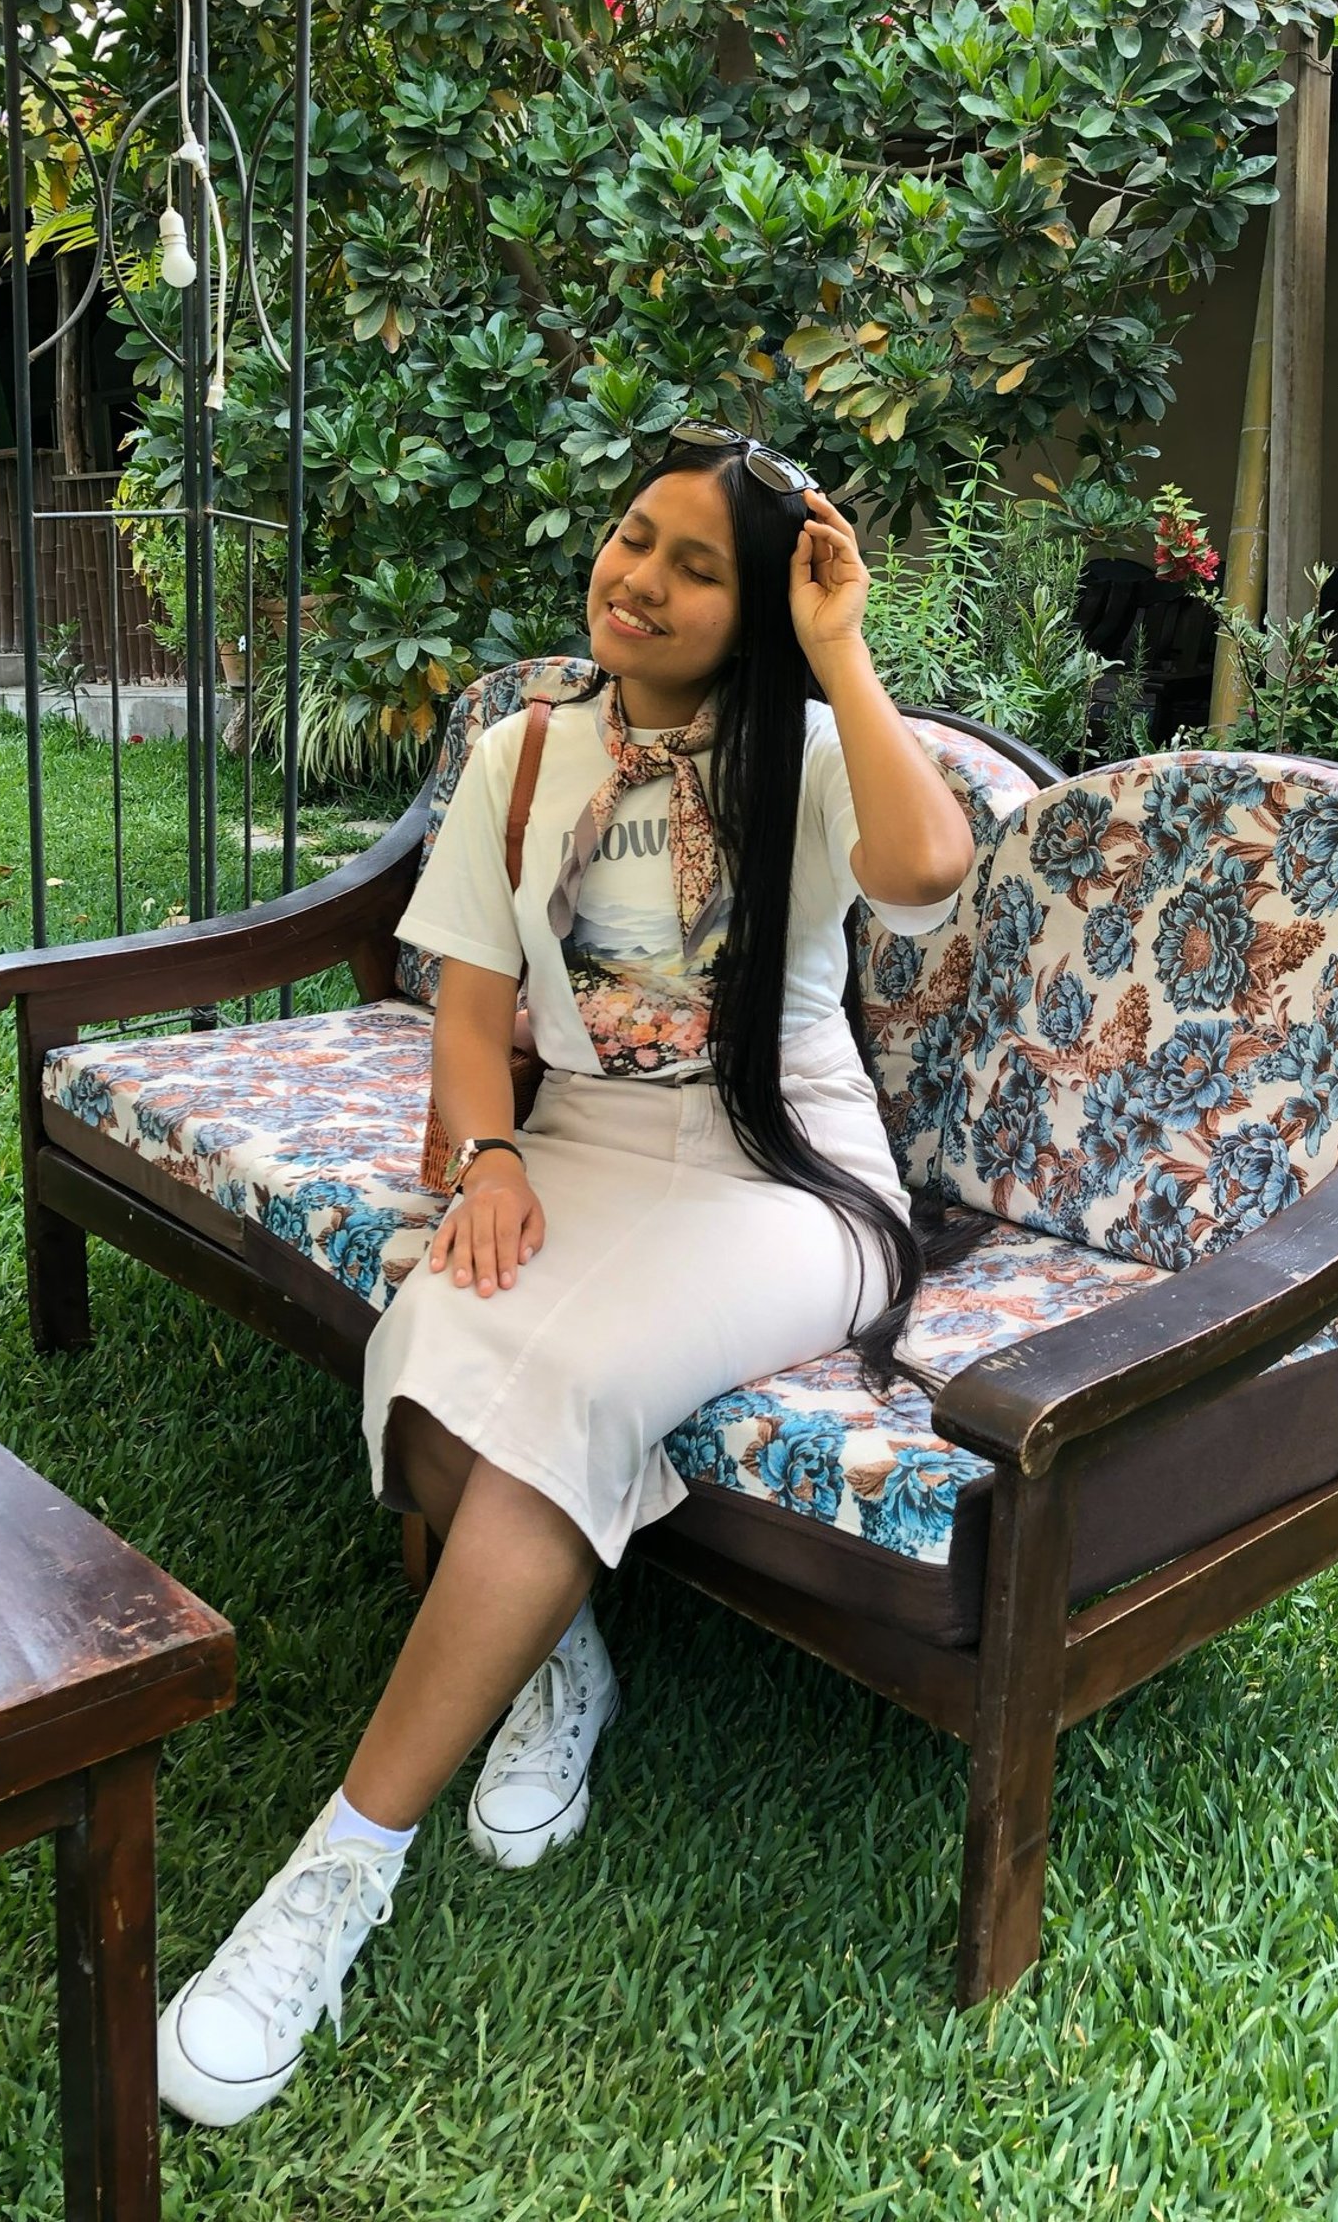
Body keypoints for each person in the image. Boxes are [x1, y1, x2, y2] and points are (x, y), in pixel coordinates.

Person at [157, 425, 976, 2126]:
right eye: (631, 539)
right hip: (581, 1146)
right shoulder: (527, 753)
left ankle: (334, 1877)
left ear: (754, 615)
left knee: (566, 1390)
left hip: (783, 1173)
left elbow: (927, 872)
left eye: (696, 568)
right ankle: (561, 1659)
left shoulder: (810, 755)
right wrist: (495, 1160)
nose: (642, 581)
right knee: (431, 1342)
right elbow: (467, 1003)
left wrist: (841, 643)